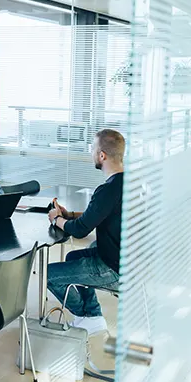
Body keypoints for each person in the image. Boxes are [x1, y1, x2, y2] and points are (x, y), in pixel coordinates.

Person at [47, 128, 125, 335]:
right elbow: (101, 213)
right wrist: (69, 214)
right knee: (74, 256)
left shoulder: (107, 189)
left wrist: (57, 219)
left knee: (48, 275)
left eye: (92, 148)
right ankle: (92, 314)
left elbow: (80, 231)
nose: (90, 152)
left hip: (113, 269)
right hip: (130, 263)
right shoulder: (127, 184)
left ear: (102, 155)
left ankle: (87, 316)